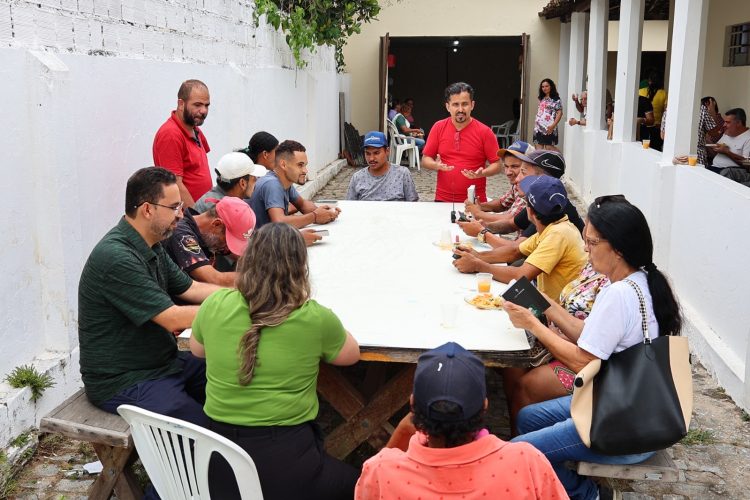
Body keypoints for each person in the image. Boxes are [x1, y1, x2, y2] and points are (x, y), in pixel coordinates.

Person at [507, 196, 682, 500]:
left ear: (618, 248)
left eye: (591, 242)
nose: (586, 249)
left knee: (518, 452)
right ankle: (555, 484)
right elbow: (588, 335)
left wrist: (533, 325)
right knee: (527, 419)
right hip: (629, 405)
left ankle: (586, 494)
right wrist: (545, 305)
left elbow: (583, 362)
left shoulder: (619, 295)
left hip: (622, 427)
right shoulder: (638, 281)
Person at [190, 222, 361, 500]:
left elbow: (197, 350)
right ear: (300, 266)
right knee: (364, 484)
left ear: (247, 260)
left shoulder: (215, 304)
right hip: (287, 466)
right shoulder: (314, 317)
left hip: (218, 466)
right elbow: (351, 355)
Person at [78, 167, 220, 426]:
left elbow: (191, 288)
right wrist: (235, 306)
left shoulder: (150, 243)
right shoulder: (116, 257)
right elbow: (171, 318)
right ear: (147, 209)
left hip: (164, 363)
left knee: (230, 379)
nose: (181, 214)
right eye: (174, 207)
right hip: (125, 379)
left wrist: (248, 294)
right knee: (202, 428)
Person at [355, 342, 568, 500]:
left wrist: (401, 434)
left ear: (412, 405)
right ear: (484, 406)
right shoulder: (526, 461)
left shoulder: (381, 470)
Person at [453, 175, 587, 302]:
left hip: (557, 310)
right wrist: (477, 256)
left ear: (529, 211)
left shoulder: (558, 234)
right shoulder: (556, 226)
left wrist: (478, 265)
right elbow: (515, 251)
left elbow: (521, 276)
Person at [248, 140, 340, 245]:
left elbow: (303, 205)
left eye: (305, 165)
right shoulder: (272, 184)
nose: (305, 171)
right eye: (300, 165)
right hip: (260, 247)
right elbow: (279, 222)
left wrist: (327, 213)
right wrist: (314, 216)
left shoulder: (285, 181)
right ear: (283, 164)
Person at [422, 82, 502, 202]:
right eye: (455, 104)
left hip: (475, 201)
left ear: (472, 105)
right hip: (442, 199)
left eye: (465, 104)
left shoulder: (485, 132)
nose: (460, 109)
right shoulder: (438, 127)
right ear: (448, 107)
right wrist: (435, 165)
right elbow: (425, 159)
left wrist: (482, 173)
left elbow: (497, 165)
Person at [165, 197, 255, 286]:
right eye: (229, 241)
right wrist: (257, 278)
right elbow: (214, 279)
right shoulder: (181, 233)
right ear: (216, 224)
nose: (228, 248)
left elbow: (242, 256)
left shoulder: (207, 234)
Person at [153, 79, 212, 207]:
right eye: (197, 105)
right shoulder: (170, 134)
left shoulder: (195, 129)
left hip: (202, 212)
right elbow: (174, 185)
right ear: (181, 104)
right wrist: (195, 215)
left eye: (206, 105)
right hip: (187, 216)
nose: (203, 111)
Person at [458, 141, 533, 239]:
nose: (508, 172)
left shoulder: (532, 189)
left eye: (515, 166)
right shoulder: (518, 183)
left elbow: (510, 221)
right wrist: (480, 206)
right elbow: (502, 203)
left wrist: (478, 215)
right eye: (506, 166)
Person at [346, 131, 419, 201]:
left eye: (376, 153)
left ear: (387, 151)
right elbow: (349, 205)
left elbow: (413, 204)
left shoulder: (402, 174)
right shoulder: (357, 178)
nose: (371, 158)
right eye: (368, 153)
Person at [193, 152, 267, 213]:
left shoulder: (211, 198)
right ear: (242, 183)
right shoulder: (225, 211)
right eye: (254, 178)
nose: (256, 181)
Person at [711, 108, 750, 184]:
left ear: (738, 123)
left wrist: (727, 152)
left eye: (727, 122)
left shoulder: (748, 138)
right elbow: (716, 151)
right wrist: (708, 142)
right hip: (713, 167)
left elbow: (747, 164)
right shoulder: (727, 133)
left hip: (728, 173)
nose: (724, 125)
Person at [639, 70, 667, 150]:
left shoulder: (640, 91)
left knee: (642, 148)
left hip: (642, 126)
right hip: (657, 127)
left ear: (649, 81)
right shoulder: (663, 93)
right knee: (655, 150)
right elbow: (665, 112)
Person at [533, 78, 563, 150]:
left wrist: (553, 125)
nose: (544, 88)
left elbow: (560, 113)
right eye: (543, 87)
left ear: (551, 86)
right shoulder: (541, 98)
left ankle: (560, 156)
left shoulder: (556, 99)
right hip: (539, 127)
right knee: (538, 148)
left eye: (546, 86)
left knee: (549, 147)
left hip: (550, 126)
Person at [696, 96, 724, 167]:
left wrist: (712, 114)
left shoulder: (719, 120)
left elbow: (715, 135)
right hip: (702, 154)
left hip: (712, 155)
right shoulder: (703, 112)